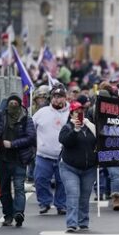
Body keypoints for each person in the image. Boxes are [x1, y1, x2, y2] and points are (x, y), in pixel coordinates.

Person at [0, 93, 36, 227]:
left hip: (19, 159)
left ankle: (18, 213)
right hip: (2, 159)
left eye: (15, 104)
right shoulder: (1, 116)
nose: (13, 106)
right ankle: (8, 215)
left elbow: (30, 137)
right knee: (4, 189)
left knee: (19, 187)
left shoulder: (26, 119)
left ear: (19, 105)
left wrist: (13, 144)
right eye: (10, 104)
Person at [58, 101, 98, 232]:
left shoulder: (90, 126)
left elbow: (100, 141)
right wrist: (75, 130)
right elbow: (65, 141)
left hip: (89, 168)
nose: (79, 114)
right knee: (73, 194)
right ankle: (71, 223)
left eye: (81, 111)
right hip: (69, 167)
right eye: (77, 112)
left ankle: (83, 221)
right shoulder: (67, 127)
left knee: (85, 196)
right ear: (71, 113)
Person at [32, 84, 69, 215]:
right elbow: (31, 127)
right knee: (40, 179)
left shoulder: (71, 113)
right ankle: (44, 202)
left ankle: (61, 204)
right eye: (54, 97)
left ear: (65, 98)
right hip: (43, 154)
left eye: (59, 97)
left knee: (62, 182)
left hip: (64, 155)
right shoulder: (42, 112)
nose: (56, 100)